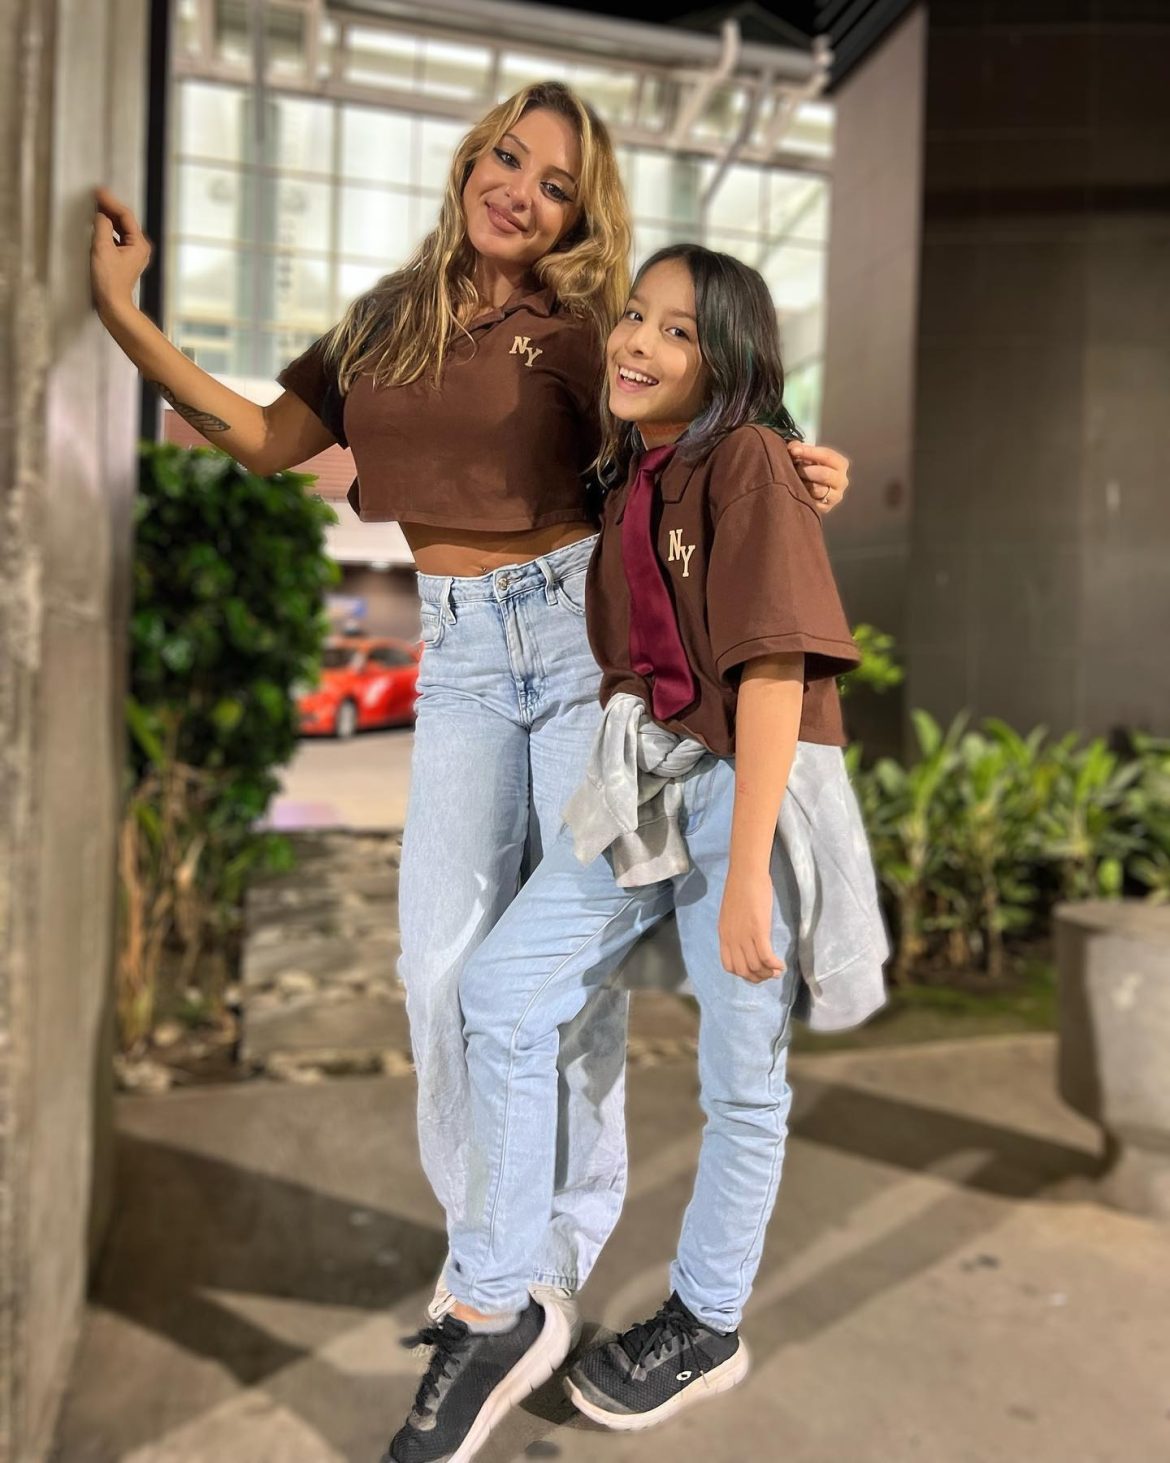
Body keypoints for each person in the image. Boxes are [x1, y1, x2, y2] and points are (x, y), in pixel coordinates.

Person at [90, 83, 853, 1338]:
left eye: (557, 187)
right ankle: (484, 1244)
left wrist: (797, 459)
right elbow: (268, 438)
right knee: (438, 965)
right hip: (455, 656)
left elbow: (706, 410)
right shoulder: (382, 321)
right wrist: (125, 316)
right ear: (468, 161)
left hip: (573, 637)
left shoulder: (587, 323)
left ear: (576, 218)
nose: (523, 193)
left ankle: (545, 1263)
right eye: (509, 159)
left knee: (570, 978)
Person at [381, 246, 887, 1463]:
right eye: (636, 317)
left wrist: (748, 874)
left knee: (742, 1077)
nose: (639, 342)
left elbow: (774, 670)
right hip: (647, 775)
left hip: (749, 790)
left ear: (728, 361)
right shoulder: (635, 472)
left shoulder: (747, 458)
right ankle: (496, 1300)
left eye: (678, 330)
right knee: (501, 993)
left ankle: (707, 1319)